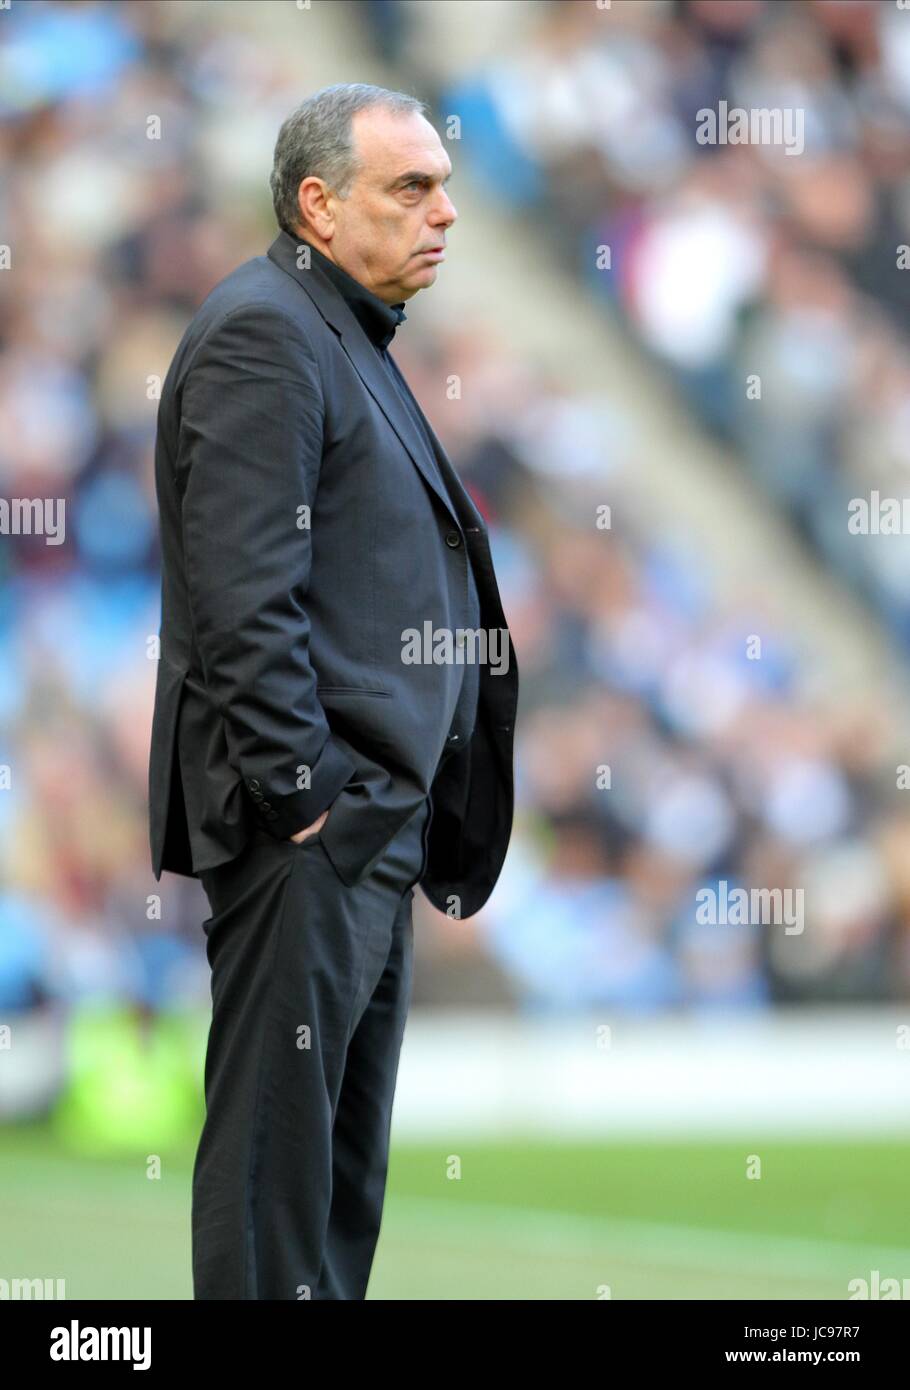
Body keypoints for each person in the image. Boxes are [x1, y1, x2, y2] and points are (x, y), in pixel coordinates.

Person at [147, 82, 518, 1300]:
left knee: (335, 1186)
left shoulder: (336, 330)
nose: (445, 213)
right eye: (410, 188)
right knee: (277, 1176)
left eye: (444, 186)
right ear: (317, 203)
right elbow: (245, 601)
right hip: (311, 830)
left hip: (365, 831)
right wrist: (310, 801)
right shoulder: (266, 331)